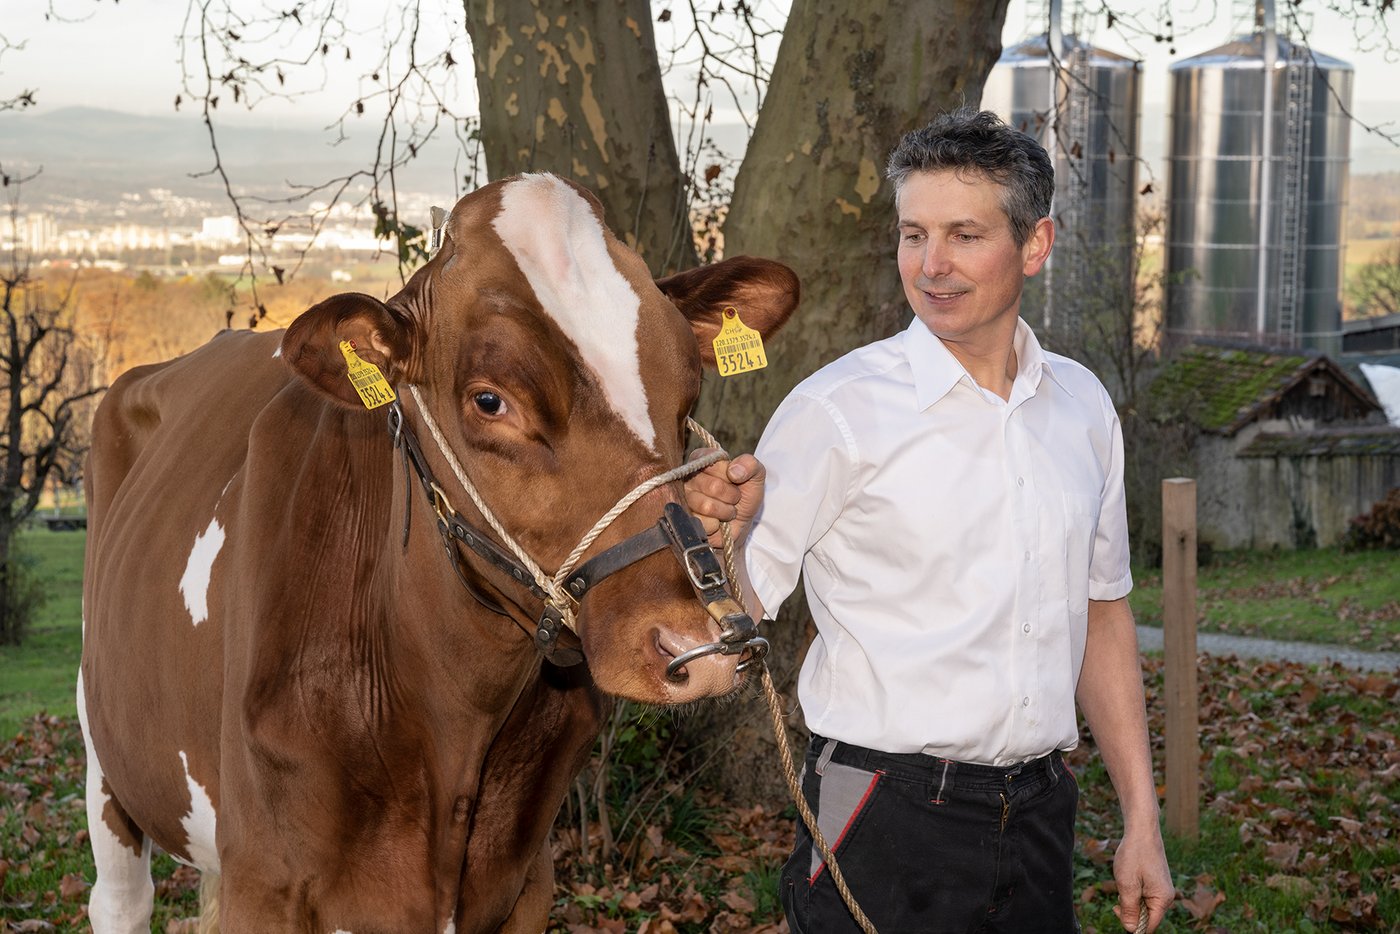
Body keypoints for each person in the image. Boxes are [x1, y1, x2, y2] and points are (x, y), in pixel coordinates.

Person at [685, 108, 1174, 933]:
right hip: (881, 811)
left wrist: (1142, 819)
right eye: (913, 235)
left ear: (1035, 245)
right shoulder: (837, 411)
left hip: (1043, 811)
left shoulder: (1084, 407)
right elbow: (728, 620)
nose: (932, 265)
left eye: (963, 235)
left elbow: (1102, 613)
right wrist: (717, 543)